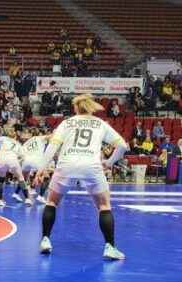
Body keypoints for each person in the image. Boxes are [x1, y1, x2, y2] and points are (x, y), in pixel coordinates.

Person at [34, 94, 129, 260]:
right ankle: (110, 247)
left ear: (76, 108)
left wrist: (41, 169)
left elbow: (52, 146)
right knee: (104, 206)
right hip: (91, 165)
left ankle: (45, 240)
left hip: (66, 164)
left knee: (52, 202)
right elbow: (122, 145)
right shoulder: (100, 124)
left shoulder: (67, 122)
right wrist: (109, 162)